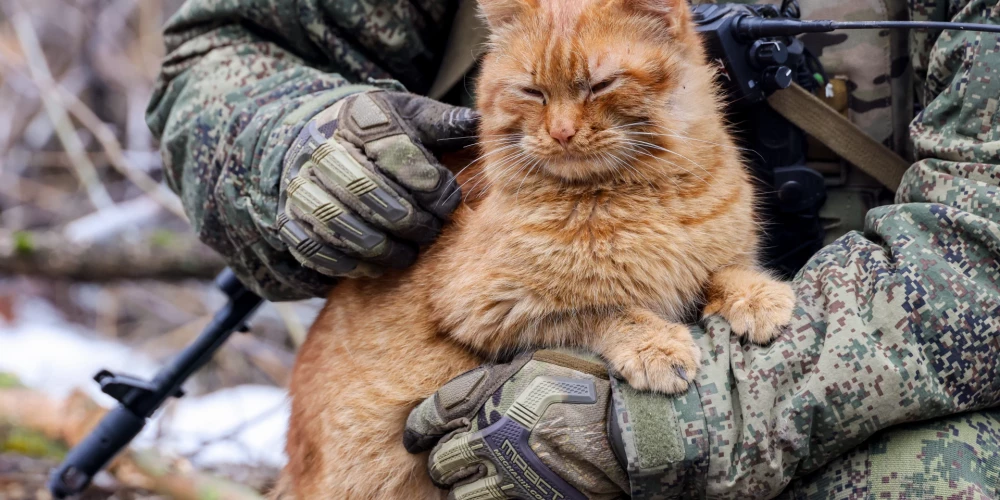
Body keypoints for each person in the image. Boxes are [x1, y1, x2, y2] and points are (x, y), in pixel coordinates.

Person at [146, 0, 1000, 497]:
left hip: (878, 390)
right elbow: (226, 51)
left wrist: (675, 423)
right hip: (457, 403)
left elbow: (983, 236)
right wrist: (299, 146)